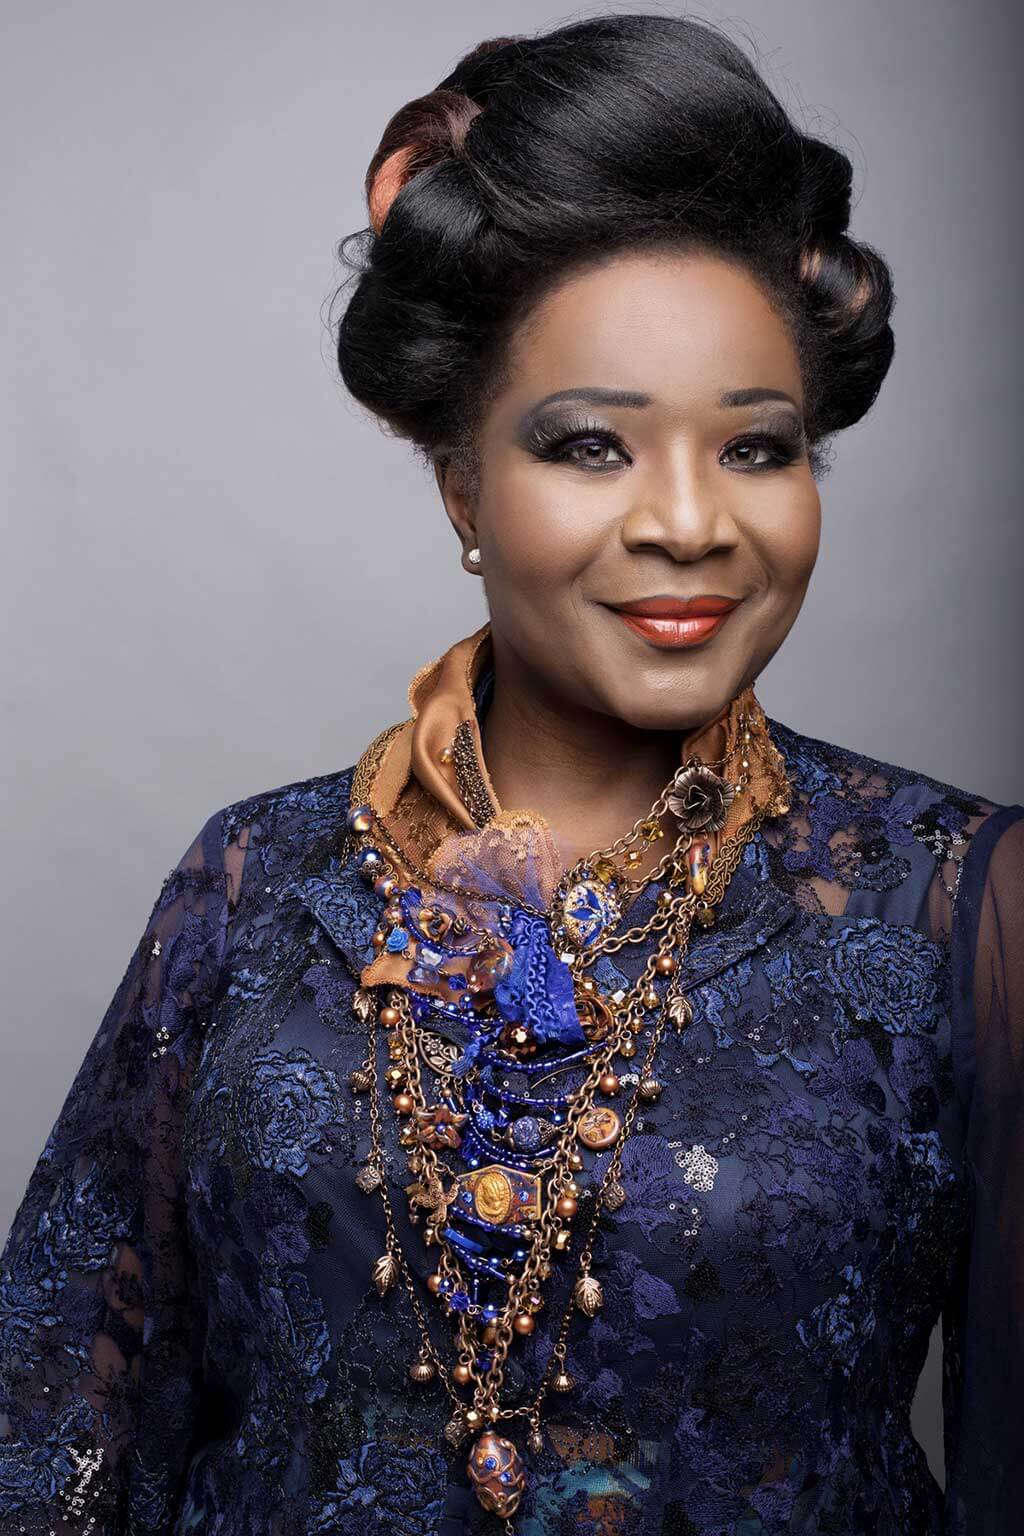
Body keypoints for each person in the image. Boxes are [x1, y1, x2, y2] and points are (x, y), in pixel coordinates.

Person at [1, 13, 1020, 1536]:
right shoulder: (251, 884)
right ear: (460, 482)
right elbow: (56, 1424)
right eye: (592, 445)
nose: (690, 522)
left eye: (757, 449)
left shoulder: (952, 901)